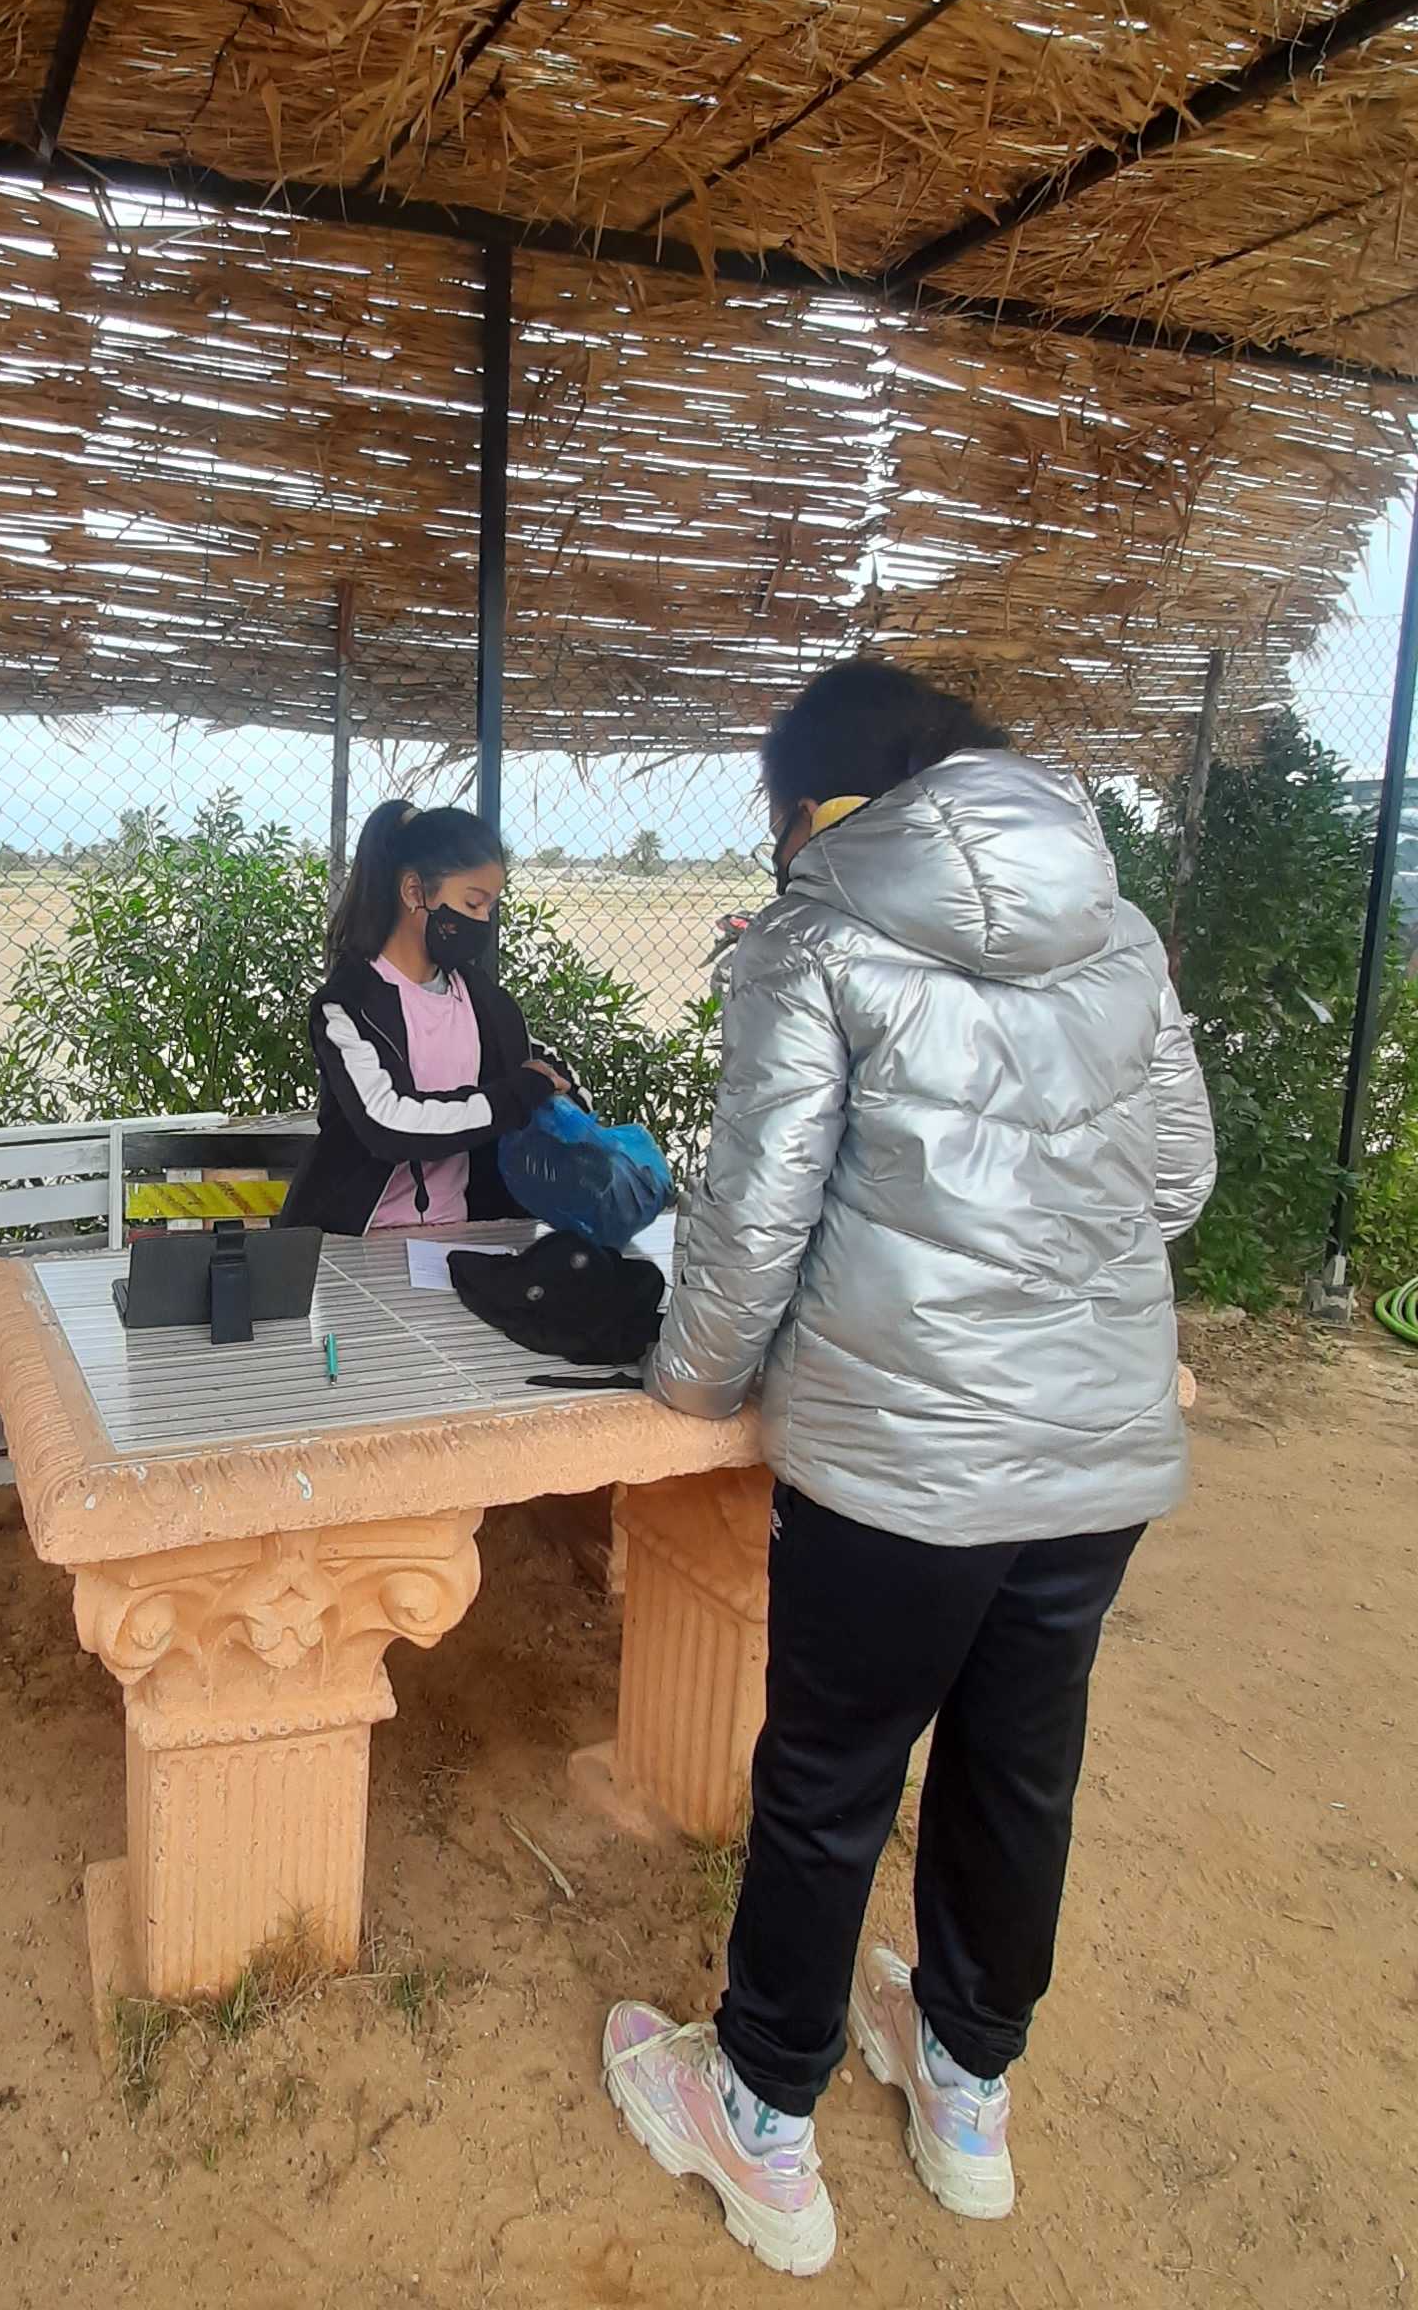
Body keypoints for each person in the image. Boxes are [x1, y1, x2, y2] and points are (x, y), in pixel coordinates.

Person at [601, 660, 1216, 2279]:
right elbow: (1176, 1181)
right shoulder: (1118, 932)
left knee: (828, 1780)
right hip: (1093, 1451)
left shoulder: (812, 937)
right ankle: (964, 2092)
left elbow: (752, 1223)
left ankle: (761, 2115)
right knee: (1018, 1766)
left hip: (900, 1458)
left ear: (815, 805)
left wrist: (689, 1383)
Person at [279, 800, 583, 1235]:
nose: (483, 921)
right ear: (414, 892)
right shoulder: (347, 1006)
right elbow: (389, 1122)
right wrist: (517, 1096)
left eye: (490, 907)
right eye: (472, 903)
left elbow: (544, 1070)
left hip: (464, 1232)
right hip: (356, 1238)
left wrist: (562, 1096)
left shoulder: (485, 1002)